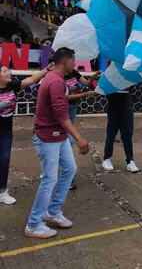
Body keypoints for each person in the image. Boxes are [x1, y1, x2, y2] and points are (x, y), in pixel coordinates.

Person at [25, 47, 89, 239]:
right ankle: (33, 224)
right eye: (73, 61)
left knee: (70, 169)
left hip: (58, 136)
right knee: (49, 179)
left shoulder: (57, 80)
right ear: (65, 61)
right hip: (47, 137)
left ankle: (53, 211)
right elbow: (62, 115)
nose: (75, 64)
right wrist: (78, 137)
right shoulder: (55, 81)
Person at [0, 63, 54, 205]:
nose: (9, 72)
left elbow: (31, 80)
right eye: (5, 71)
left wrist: (47, 69)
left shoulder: (12, 86)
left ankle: (2, 192)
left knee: (4, 161)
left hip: (6, 133)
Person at [65, 68, 100, 189]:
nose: (74, 63)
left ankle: (68, 178)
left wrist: (92, 78)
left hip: (72, 107)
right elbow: (63, 97)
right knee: (67, 141)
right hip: (63, 108)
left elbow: (86, 84)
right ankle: (67, 178)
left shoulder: (73, 72)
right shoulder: (57, 76)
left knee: (67, 141)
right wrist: (83, 95)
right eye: (72, 60)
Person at [102, 89, 139, 173]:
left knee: (127, 135)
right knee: (111, 133)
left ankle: (130, 160)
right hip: (113, 107)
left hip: (126, 107)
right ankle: (106, 158)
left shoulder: (129, 76)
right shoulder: (111, 76)